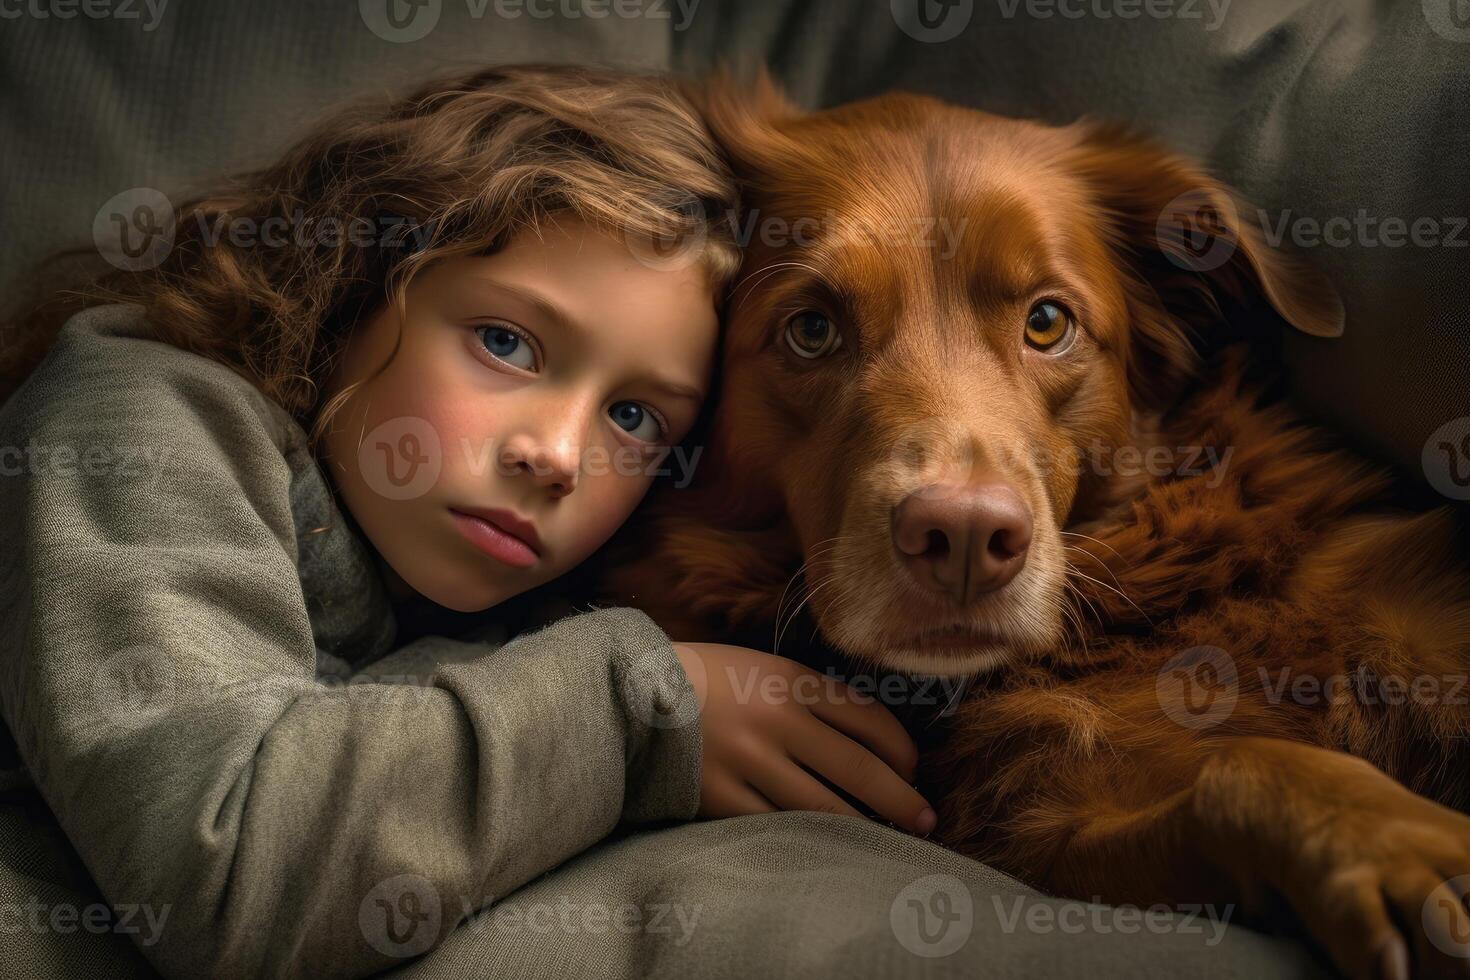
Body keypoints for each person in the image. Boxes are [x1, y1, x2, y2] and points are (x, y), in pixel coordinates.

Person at [0, 62, 934, 979]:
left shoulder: (506, 599)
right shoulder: (139, 421)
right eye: (507, 343)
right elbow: (226, 871)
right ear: (358, 275)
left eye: (635, 417)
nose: (559, 456)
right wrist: (642, 716)